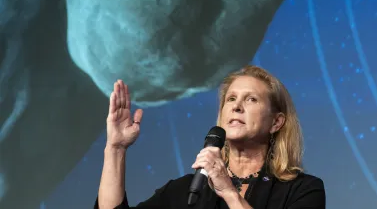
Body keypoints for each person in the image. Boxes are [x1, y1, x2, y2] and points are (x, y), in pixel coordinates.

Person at [95, 65, 325, 209]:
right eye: (231, 99)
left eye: (251, 99)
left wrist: (228, 192)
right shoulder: (187, 190)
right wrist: (115, 149)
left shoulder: (302, 190)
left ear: (276, 122)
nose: (236, 107)